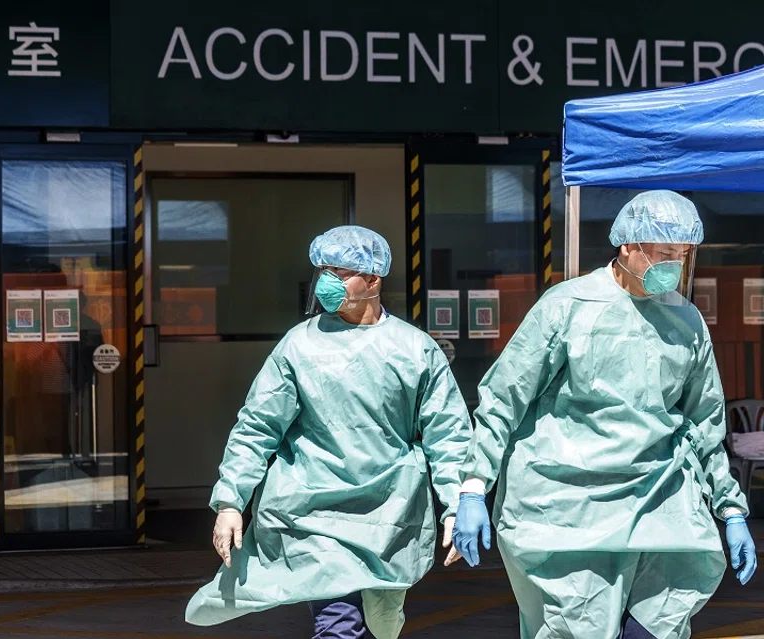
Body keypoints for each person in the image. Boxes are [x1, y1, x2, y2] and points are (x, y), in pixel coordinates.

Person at [448, 190, 757, 639]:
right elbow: (503, 399)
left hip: (659, 503)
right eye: (665, 252)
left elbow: (704, 422)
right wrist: (474, 486)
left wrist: (730, 510)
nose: (675, 265)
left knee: (657, 625)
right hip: (569, 507)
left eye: (684, 254)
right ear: (627, 244)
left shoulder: (686, 322)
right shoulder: (567, 307)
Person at [184, 225, 473, 639]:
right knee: (339, 624)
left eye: (339, 274)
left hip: (388, 514)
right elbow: (257, 427)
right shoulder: (298, 346)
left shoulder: (415, 349)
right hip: (313, 514)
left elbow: (448, 435)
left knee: (382, 620)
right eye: (322, 272)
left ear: (373, 279)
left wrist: (456, 503)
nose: (326, 283)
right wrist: (231, 500)